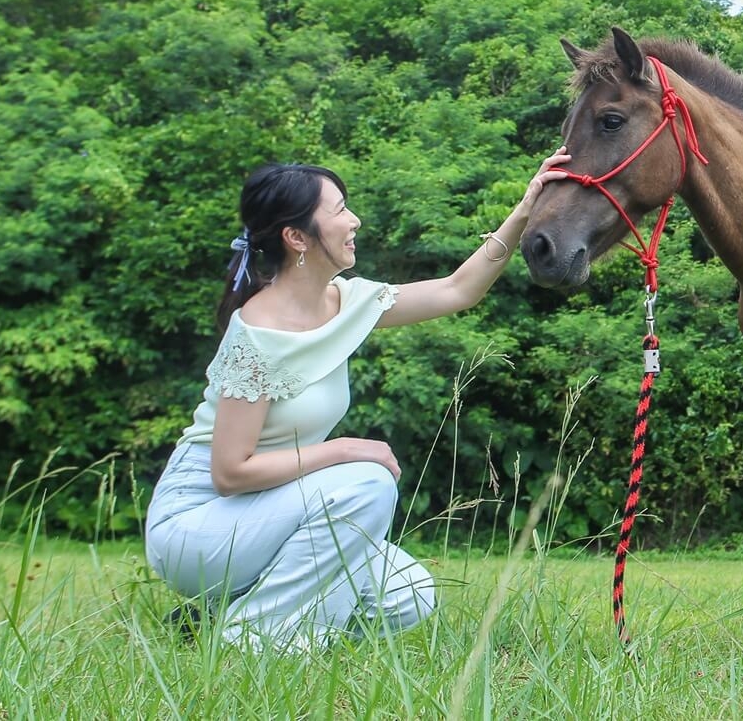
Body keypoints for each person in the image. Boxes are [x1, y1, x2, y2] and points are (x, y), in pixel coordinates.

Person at [143, 151, 570, 652]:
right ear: (297, 237)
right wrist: (342, 450)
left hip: (274, 513)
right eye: (339, 209)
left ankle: (219, 617)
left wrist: (525, 209)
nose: (354, 221)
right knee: (365, 482)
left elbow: (457, 290)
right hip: (200, 527)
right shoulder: (257, 335)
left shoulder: (348, 301)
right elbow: (230, 473)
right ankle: (257, 639)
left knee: (410, 595)